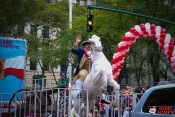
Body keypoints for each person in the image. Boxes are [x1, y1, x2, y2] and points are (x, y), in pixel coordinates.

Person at [72, 35, 111, 104]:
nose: (89, 45)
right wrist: (76, 43)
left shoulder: (94, 53)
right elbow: (74, 50)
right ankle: (79, 92)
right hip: (85, 69)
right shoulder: (82, 51)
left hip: (93, 70)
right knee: (83, 75)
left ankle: (103, 98)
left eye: (90, 44)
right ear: (85, 46)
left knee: (100, 79)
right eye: (87, 44)